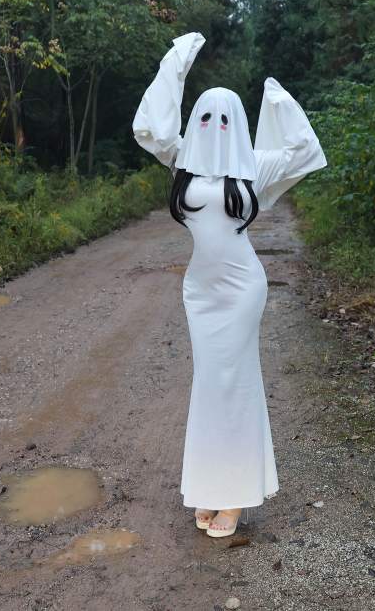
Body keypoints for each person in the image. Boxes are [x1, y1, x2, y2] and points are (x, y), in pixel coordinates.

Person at [132, 32, 327, 538]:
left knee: (235, 384)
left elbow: (305, 149)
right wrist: (176, 61)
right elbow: (151, 127)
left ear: (237, 124)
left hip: (242, 291)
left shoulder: (253, 167)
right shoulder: (183, 160)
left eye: (225, 119)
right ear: (195, 122)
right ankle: (209, 487)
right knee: (208, 386)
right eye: (206, 118)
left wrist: (279, 100)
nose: (214, 128)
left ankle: (236, 498)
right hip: (200, 291)